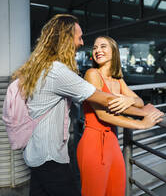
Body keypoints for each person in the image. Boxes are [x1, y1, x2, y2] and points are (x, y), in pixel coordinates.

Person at [12, 15, 163, 196]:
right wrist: (142, 119)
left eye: (102, 46)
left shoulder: (47, 68)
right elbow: (106, 103)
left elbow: (129, 100)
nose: (83, 43)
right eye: (80, 37)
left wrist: (133, 101)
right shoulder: (60, 71)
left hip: (38, 152)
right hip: (49, 156)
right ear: (66, 39)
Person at [77, 36, 164, 196]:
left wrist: (128, 99)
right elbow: (103, 115)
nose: (98, 50)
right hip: (94, 143)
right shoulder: (92, 74)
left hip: (113, 144)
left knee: (117, 191)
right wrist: (142, 124)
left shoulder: (118, 80)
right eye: (95, 47)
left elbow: (138, 102)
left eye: (103, 46)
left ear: (114, 51)